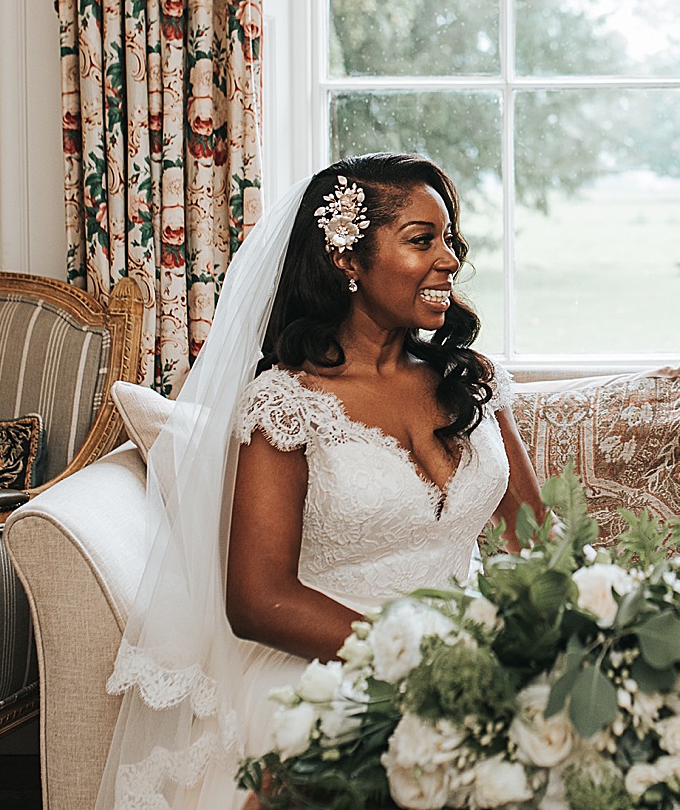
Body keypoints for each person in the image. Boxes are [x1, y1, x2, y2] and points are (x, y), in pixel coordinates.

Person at [97, 153, 544, 810]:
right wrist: (411, 661)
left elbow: (533, 533)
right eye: (423, 240)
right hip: (325, 664)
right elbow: (255, 598)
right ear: (347, 260)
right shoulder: (286, 403)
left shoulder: (471, 378)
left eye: (452, 240)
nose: (450, 259)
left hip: (469, 649)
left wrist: (565, 620)